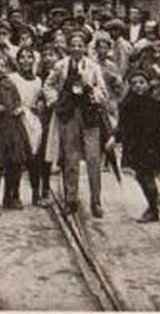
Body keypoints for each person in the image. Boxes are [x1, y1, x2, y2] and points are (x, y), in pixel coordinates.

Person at [44, 30, 113, 217]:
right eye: (73, 45)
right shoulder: (61, 66)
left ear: (85, 48)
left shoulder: (93, 66)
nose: (76, 48)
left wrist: (91, 90)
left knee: (93, 159)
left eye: (80, 45)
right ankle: (70, 199)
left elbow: (103, 92)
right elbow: (48, 85)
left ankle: (96, 201)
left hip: (89, 116)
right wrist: (55, 101)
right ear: (68, 47)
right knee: (70, 159)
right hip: (69, 115)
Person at [0, 53, 31, 213]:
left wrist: (19, 109)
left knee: (15, 164)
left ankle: (11, 197)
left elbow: (17, 102)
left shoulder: (10, 84)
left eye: (2, 66)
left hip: (12, 128)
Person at [116, 66, 160, 222]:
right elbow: (123, 126)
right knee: (141, 177)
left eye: (141, 82)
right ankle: (152, 207)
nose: (138, 86)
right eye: (134, 83)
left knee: (146, 177)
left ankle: (153, 209)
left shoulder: (156, 104)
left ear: (147, 84)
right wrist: (116, 138)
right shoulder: (126, 105)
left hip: (151, 145)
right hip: (135, 146)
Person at [9, 46, 50, 205]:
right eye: (22, 57)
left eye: (29, 57)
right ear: (17, 61)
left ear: (33, 60)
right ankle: (15, 194)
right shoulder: (12, 78)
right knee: (18, 159)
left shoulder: (38, 80)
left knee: (35, 158)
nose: (26, 60)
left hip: (34, 120)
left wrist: (39, 105)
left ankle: (35, 194)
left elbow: (40, 98)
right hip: (18, 119)